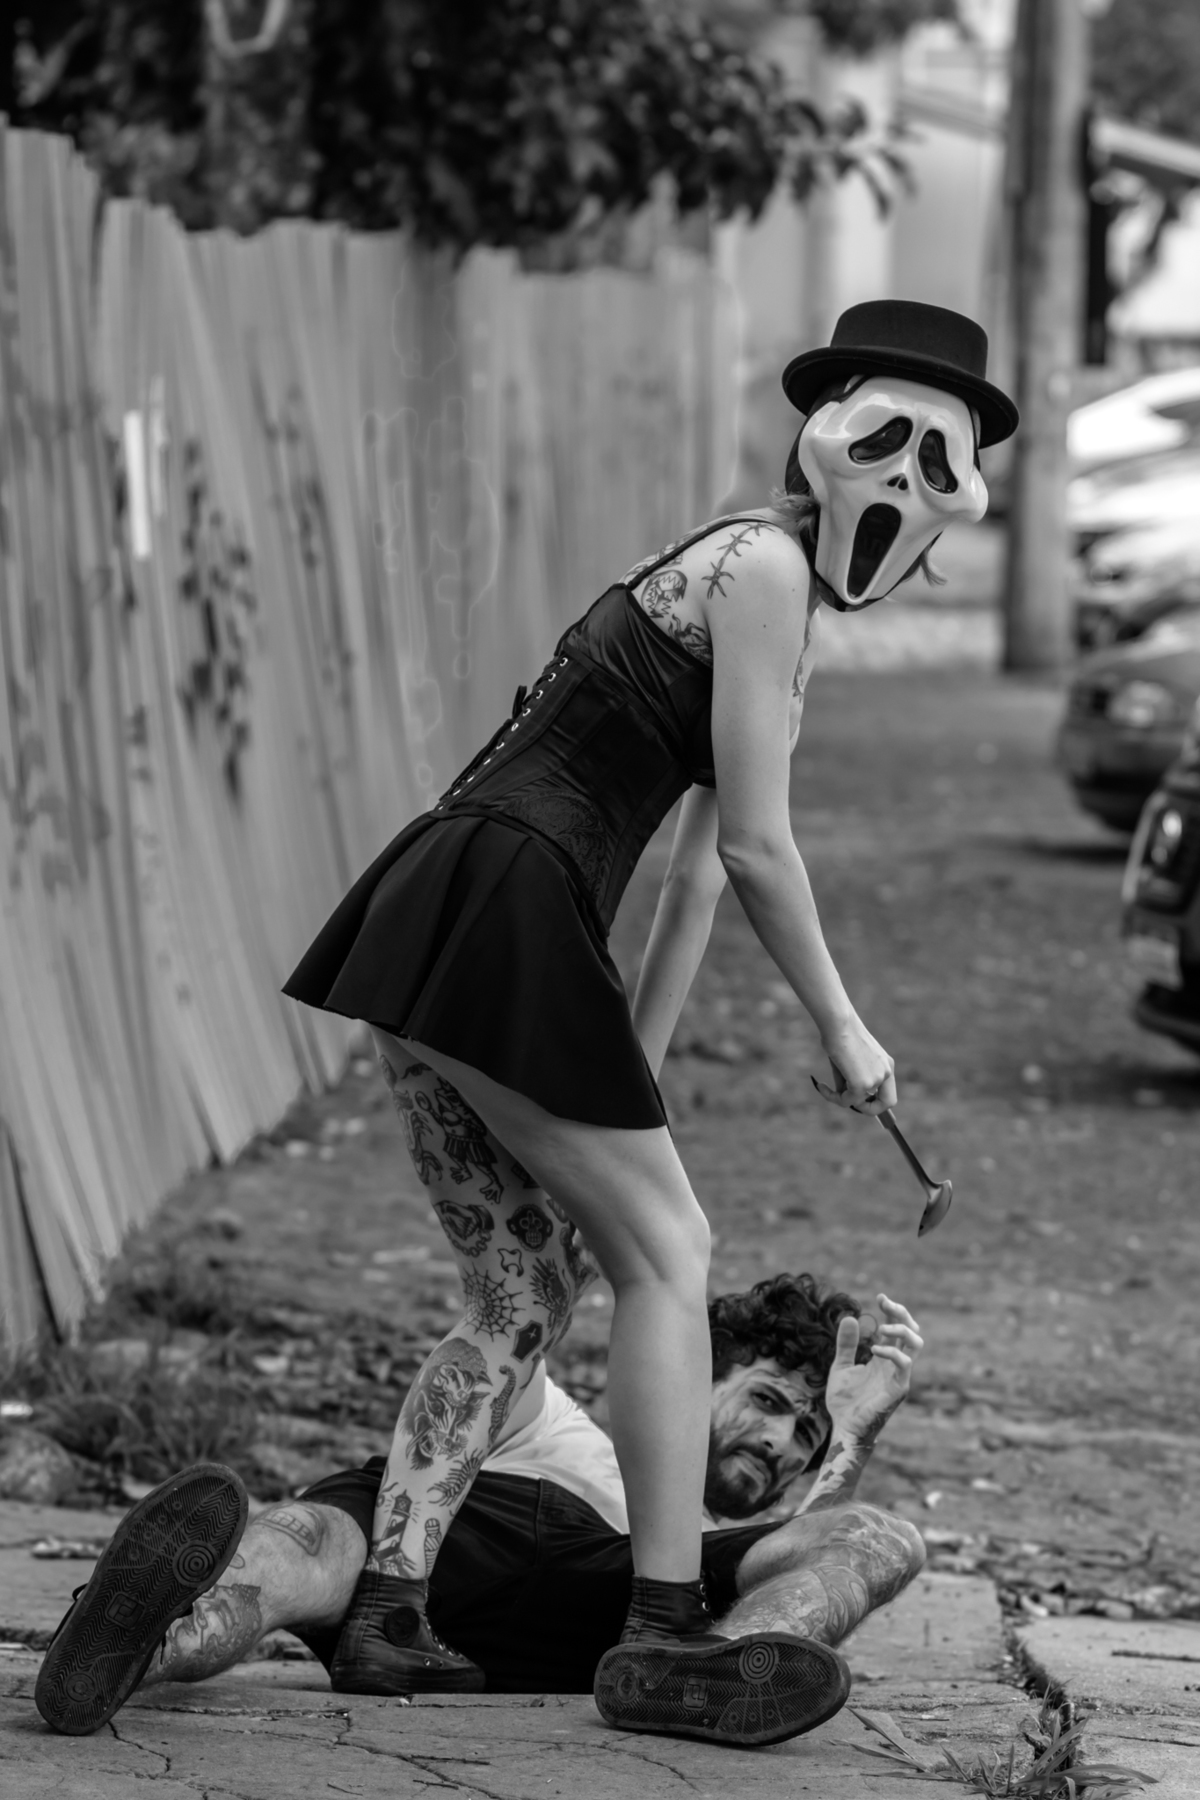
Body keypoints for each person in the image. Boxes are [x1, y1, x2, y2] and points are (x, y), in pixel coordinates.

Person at [275, 299, 1018, 1735]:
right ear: (846, 446)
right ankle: (664, 1626)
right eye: (903, 462)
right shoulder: (768, 571)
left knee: (520, 1294)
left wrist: (639, 1073)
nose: (914, 516)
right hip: (508, 898)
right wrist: (845, 1027)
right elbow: (757, 849)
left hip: (448, 896)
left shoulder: (736, 564)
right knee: (672, 1257)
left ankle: (387, 1608)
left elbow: (692, 879)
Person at [35, 1276, 926, 1751]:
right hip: (430, 1560)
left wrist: (853, 1434)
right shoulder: (555, 1419)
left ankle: (719, 1677)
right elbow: (500, 1342)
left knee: (883, 1537)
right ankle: (139, 1638)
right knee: (309, 1535)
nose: (780, 1442)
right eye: (768, 1401)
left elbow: (805, 1543)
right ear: (695, 1367)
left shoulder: (710, 1554)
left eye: (805, 1435)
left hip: (616, 1616)